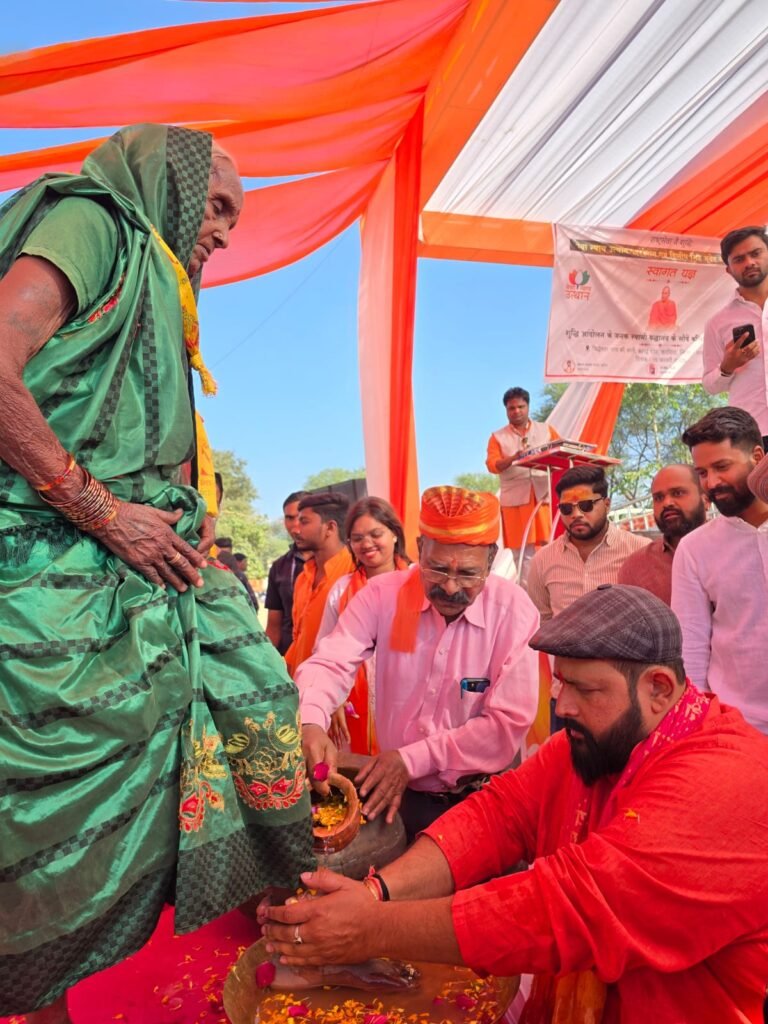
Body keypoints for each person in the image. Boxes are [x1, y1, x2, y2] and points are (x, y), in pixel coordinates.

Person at [0, 124, 313, 1024]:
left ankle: (310, 938)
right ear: (166, 184)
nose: (224, 233)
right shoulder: (96, 220)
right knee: (49, 823)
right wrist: (104, 512)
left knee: (260, 704)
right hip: (52, 562)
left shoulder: (165, 286)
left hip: (148, 570)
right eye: (217, 208)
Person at [265, 585, 768, 1024]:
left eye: (585, 689)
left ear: (658, 688)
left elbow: (565, 910)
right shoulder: (587, 745)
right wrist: (375, 895)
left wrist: (371, 930)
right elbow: (497, 815)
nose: (562, 706)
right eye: (562, 682)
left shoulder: (728, 779)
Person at [297, 486, 539, 839]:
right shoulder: (381, 596)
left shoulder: (514, 611)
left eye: (468, 574)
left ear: (491, 561)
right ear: (420, 547)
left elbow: (506, 724)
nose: (451, 587)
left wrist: (412, 759)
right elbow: (331, 662)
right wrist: (311, 721)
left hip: (482, 797)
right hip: (401, 796)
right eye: (437, 570)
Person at [672, 406, 768, 734]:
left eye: (722, 467)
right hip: (735, 727)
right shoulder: (695, 549)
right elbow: (691, 646)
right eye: (702, 472)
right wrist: (700, 725)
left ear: (757, 456)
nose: (712, 483)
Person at [315, 496, 410, 754]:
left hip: (408, 700)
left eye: (376, 534)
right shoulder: (341, 589)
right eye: (357, 538)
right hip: (354, 706)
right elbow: (324, 651)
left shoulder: (418, 582)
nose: (366, 544)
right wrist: (333, 700)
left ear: (394, 534)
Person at [527, 465, 650, 621]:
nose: (576, 514)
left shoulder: (640, 551)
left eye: (586, 505)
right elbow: (541, 620)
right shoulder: (542, 561)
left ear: (607, 505)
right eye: (566, 508)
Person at [702, 225, 768, 445]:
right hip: (751, 433)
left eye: (756, 253)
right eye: (739, 259)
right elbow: (711, 385)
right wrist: (727, 367)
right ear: (729, 270)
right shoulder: (718, 323)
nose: (749, 262)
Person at [485, 387, 559, 576]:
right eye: (512, 408)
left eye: (520, 407)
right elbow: (492, 465)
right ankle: (528, 592)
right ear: (506, 410)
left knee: (551, 544)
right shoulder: (497, 438)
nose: (516, 411)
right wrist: (514, 458)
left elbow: (560, 451)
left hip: (544, 496)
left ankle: (553, 585)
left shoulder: (546, 430)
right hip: (515, 501)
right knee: (523, 552)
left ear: (528, 407)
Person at [284, 492, 354, 677]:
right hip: (303, 685)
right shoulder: (303, 578)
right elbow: (299, 638)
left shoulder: (354, 573)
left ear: (330, 527)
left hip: (341, 688)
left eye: (304, 522)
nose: (295, 529)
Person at [617, 464, 708, 605]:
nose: (667, 503)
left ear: (706, 500)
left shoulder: (734, 548)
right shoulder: (636, 567)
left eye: (678, 493)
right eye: (658, 497)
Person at [265, 490, 310, 655]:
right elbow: (274, 626)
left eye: (302, 518)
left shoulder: (342, 560)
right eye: (289, 518)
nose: (295, 526)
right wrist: (269, 661)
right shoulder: (279, 567)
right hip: (291, 657)